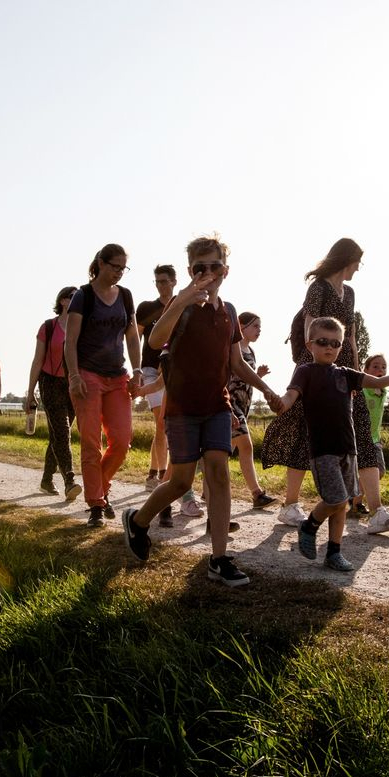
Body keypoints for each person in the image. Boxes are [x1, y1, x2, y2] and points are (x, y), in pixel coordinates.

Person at [122, 236, 283, 586]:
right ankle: (137, 521)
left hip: (217, 404)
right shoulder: (183, 307)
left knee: (219, 473)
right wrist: (180, 300)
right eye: (200, 267)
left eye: (214, 266)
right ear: (190, 271)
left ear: (225, 270)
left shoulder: (228, 312)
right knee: (180, 480)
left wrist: (267, 389)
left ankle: (219, 558)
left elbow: (236, 363)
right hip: (181, 406)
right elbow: (153, 341)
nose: (207, 273)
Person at [267, 317, 389, 572]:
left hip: (348, 449)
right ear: (309, 344)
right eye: (322, 341)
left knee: (343, 504)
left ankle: (334, 552)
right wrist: (280, 404)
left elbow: (378, 382)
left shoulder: (346, 374)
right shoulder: (306, 372)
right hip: (322, 450)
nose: (329, 347)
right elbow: (290, 396)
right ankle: (309, 525)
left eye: (335, 343)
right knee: (335, 499)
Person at [260, 238, 381, 526]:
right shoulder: (318, 288)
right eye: (357, 263)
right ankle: (290, 505)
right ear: (348, 259)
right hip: (313, 367)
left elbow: (350, 336)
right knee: (303, 433)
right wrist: (310, 370)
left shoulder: (349, 293)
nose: (357, 269)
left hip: (343, 371)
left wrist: (354, 371)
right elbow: (308, 329)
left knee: (361, 429)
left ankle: (377, 512)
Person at [64, 245, 143, 526]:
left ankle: (101, 486)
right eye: (115, 267)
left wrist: (136, 369)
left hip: (117, 375)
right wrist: (73, 376)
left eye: (123, 268)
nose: (119, 273)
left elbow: (132, 337)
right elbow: (70, 341)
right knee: (90, 441)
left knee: (122, 441)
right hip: (87, 375)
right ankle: (96, 504)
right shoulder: (83, 297)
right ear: (100, 263)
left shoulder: (125, 296)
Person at [25, 287, 82, 502]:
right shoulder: (48, 327)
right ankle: (70, 480)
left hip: (72, 384)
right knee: (62, 431)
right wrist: (30, 392)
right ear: (63, 301)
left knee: (57, 434)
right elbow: (37, 360)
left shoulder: (82, 327)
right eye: (73, 297)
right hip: (49, 382)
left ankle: (47, 479)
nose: (77, 301)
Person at [226, 311, 278, 508]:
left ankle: (203, 488)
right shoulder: (233, 348)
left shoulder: (251, 352)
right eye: (255, 326)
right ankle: (257, 494)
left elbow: (246, 379)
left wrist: (259, 376)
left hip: (245, 405)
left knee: (221, 453)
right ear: (241, 326)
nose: (259, 330)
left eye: (260, 326)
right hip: (231, 404)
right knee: (246, 446)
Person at [137, 264, 179, 494]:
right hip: (151, 369)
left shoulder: (181, 306)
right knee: (161, 422)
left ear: (174, 281)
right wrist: (136, 369)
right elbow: (135, 335)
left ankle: (153, 471)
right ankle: (163, 475)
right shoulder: (146, 308)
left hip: (173, 369)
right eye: (157, 281)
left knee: (165, 423)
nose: (161, 285)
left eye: (164, 281)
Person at [355, 354, 389, 533]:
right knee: (375, 470)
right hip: (361, 437)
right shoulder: (364, 389)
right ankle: (359, 502)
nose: (380, 371)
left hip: (375, 438)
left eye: (383, 367)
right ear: (366, 371)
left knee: (380, 472)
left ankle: (356, 499)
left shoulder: (383, 391)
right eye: (375, 367)